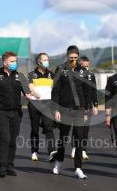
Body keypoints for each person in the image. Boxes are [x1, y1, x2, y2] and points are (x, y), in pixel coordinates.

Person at [0, 51, 30, 178]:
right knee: (5, 138)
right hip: (2, 112)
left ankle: (10, 166)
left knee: (13, 140)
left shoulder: (20, 76)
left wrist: (30, 95)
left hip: (16, 113)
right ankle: (2, 167)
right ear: (5, 62)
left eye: (16, 61)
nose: (15, 63)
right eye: (12, 61)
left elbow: (27, 92)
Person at [51, 45, 90, 179]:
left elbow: (86, 92)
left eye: (75, 57)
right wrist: (56, 109)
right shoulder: (60, 69)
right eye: (70, 57)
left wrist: (86, 111)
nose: (73, 60)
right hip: (65, 109)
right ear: (66, 56)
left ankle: (78, 168)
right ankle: (59, 162)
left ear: (78, 57)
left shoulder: (83, 71)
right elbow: (55, 91)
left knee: (79, 138)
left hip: (79, 110)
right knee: (63, 138)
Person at [28, 53, 57, 162]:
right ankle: (34, 151)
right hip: (35, 104)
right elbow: (31, 88)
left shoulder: (51, 75)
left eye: (47, 59)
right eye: (44, 60)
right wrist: (34, 93)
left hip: (47, 105)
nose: (46, 61)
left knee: (49, 128)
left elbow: (55, 90)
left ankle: (52, 152)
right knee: (35, 129)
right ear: (39, 62)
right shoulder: (31, 74)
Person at [71, 56, 98, 160]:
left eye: (88, 66)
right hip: (77, 106)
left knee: (86, 129)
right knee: (77, 128)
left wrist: (95, 105)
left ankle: (83, 150)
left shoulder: (91, 75)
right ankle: (74, 147)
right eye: (84, 66)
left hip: (88, 105)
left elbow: (94, 91)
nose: (86, 68)